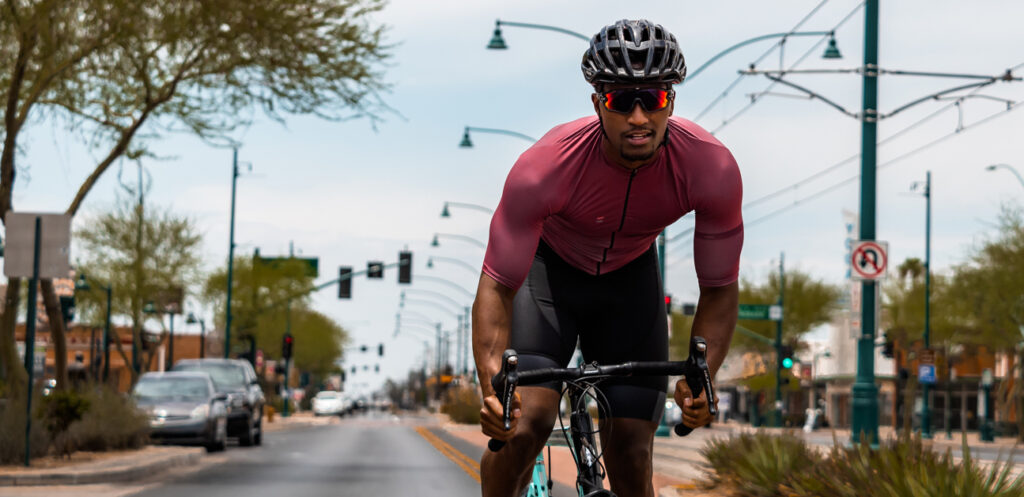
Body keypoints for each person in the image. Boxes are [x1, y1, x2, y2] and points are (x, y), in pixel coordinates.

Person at [473, 19, 743, 497]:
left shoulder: (711, 167)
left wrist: (703, 379)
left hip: (629, 285)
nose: (638, 118)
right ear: (598, 103)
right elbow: (497, 285)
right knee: (525, 427)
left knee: (633, 455)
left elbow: (718, 288)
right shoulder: (544, 168)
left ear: (671, 102)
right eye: (621, 101)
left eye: (654, 99)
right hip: (548, 280)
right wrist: (493, 392)